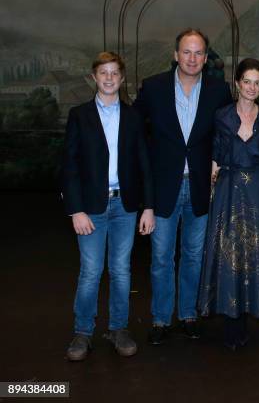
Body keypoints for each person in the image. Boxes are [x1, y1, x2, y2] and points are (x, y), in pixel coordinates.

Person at [133, 28, 232, 344]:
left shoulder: (219, 91)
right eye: (186, 52)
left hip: (202, 186)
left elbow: (226, 135)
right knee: (161, 257)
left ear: (206, 57)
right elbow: (134, 132)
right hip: (163, 188)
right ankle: (161, 319)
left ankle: (188, 314)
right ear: (176, 55)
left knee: (193, 256)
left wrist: (219, 161)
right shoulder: (154, 88)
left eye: (199, 52)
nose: (192, 58)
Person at [62, 51, 154, 361]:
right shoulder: (79, 115)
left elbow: (144, 164)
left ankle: (118, 329)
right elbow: (70, 166)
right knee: (90, 271)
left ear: (122, 78)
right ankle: (83, 332)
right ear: (94, 77)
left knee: (121, 271)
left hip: (125, 207)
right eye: (104, 72)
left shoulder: (133, 117)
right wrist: (76, 210)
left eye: (115, 73)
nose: (110, 78)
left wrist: (148, 207)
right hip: (91, 208)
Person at [198, 58, 259, 350]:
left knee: (254, 253)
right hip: (229, 191)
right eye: (247, 81)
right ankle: (230, 321)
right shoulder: (222, 115)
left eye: (257, 82)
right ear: (237, 83)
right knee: (228, 252)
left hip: (257, 192)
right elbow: (216, 155)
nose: (252, 87)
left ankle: (245, 317)